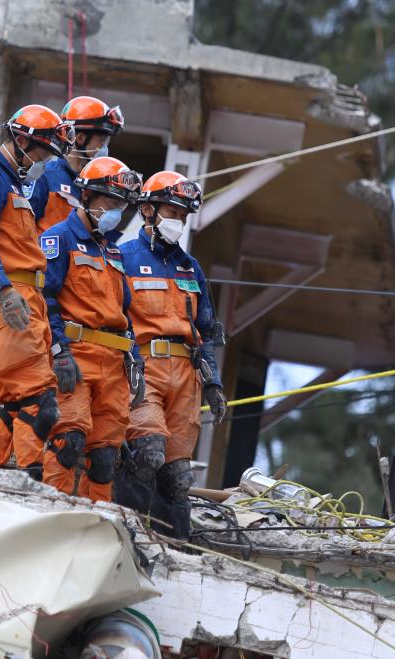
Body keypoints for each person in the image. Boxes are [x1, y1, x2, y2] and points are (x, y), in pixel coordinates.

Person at [0, 105, 75, 480]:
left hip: (28, 296)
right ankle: (32, 483)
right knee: (40, 402)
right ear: (23, 140)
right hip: (7, 296)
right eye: (43, 148)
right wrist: (5, 290)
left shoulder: (16, 182)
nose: (45, 158)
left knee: (12, 403)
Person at [115, 171, 227, 539]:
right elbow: (114, 317)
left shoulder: (190, 268)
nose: (178, 221)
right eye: (172, 211)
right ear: (147, 210)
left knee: (178, 478)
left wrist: (213, 382)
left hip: (186, 377)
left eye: (183, 214)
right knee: (147, 453)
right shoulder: (123, 257)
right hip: (143, 369)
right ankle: (127, 536)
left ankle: (175, 549)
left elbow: (206, 331)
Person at [40, 156, 145, 502]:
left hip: (113, 364)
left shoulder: (113, 252)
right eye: (111, 204)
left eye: (121, 206)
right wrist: (59, 352)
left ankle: (95, 524)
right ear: (87, 197)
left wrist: (135, 360)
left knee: (104, 458)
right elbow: (45, 300)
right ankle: (47, 518)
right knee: (67, 442)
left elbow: (125, 313)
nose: (117, 212)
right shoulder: (58, 239)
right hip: (76, 357)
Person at [29, 96, 124, 233]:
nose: (105, 150)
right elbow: (24, 230)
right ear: (80, 139)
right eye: (102, 142)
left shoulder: (97, 187)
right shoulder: (44, 177)